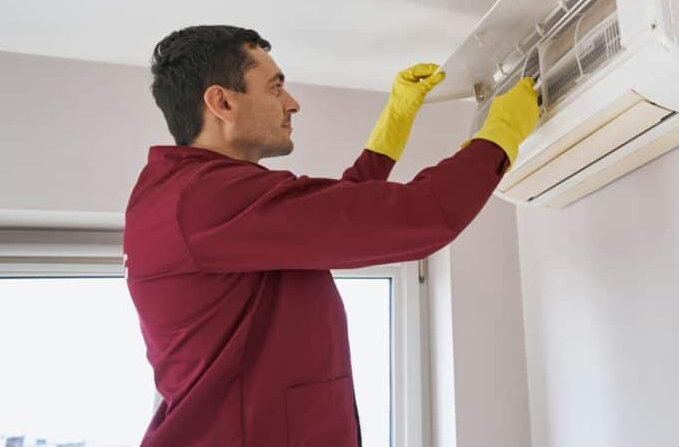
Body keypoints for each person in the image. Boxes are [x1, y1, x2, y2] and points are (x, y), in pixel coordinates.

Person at [124, 25, 539, 446]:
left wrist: (395, 121)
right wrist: (500, 134)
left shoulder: (191, 193)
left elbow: (337, 217)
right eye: (275, 88)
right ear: (223, 101)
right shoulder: (205, 199)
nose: (292, 103)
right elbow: (424, 215)